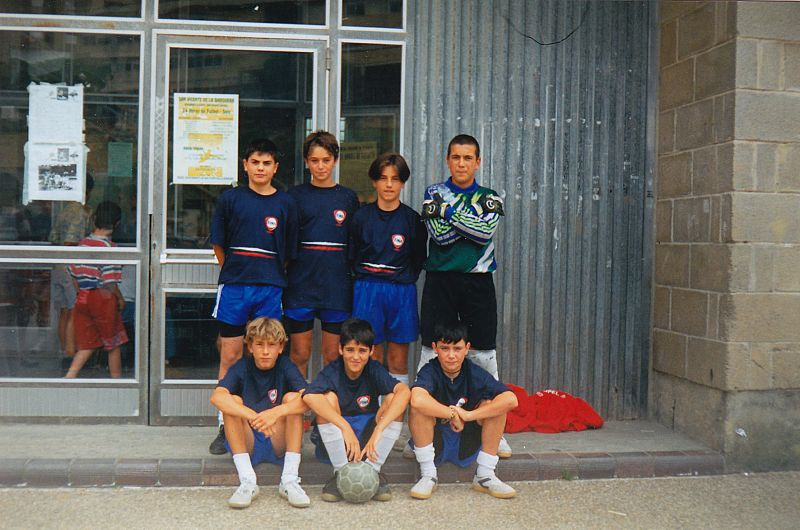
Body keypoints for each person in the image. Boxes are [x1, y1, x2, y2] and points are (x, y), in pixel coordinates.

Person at [417, 133, 512, 458]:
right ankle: (424, 429)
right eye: (456, 157)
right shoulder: (434, 192)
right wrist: (466, 222)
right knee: (432, 349)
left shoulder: (491, 196)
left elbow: (485, 232)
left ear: (478, 161)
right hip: (440, 280)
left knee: (483, 352)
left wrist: (448, 213)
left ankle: (494, 430)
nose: (461, 163)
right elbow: (440, 237)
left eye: (468, 158)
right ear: (448, 160)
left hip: (478, 281)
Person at [208, 138, 299, 455]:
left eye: (267, 163)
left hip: (270, 289)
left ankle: (268, 424)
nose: (261, 168)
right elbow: (218, 244)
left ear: (275, 167)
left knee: (268, 355)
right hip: (235, 288)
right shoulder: (230, 199)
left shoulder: (285, 203)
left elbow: (287, 254)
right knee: (231, 356)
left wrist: (266, 274)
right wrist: (235, 270)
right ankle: (224, 426)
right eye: (255, 162)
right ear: (245, 164)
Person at [303, 318, 410, 502]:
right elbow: (309, 396)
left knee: (394, 399)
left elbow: (404, 392)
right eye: (350, 350)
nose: (355, 357)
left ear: (371, 351)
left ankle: (372, 472)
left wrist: (379, 429)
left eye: (362, 351)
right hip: (340, 439)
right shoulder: (333, 370)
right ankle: (340, 474)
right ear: (340, 350)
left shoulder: (373, 369)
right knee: (327, 398)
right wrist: (344, 427)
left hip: (368, 436)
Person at [408, 323, 518, 500]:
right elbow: (417, 399)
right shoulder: (430, 370)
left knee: (494, 405)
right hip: (437, 443)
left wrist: (467, 416)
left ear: (467, 348)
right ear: (435, 348)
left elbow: (511, 400)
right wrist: (452, 414)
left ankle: (485, 475)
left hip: (466, 441)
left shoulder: (474, 372)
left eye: (457, 348)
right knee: (417, 409)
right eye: (445, 348)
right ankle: (428, 474)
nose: (451, 355)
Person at [209, 318, 310, 509]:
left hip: (275, 437)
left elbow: (309, 399)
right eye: (259, 345)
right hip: (249, 440)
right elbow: (217, 397)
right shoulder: (241, 366)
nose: (265, 351)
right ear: (250, 347)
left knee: (293, 399)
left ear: (280, 347)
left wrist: (276, 412)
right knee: (232, 402)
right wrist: (250, 415)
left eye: (271, 345)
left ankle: (289, 480)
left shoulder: (286, 365)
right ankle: (247, 481)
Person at [284, 131, 359, 377]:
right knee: (299, 354)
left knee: (332, 356)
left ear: (335, 160)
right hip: (301, 285)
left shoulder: (347, 197)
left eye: (326, 160)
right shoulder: (294, 197)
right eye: (314, 161)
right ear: (306, 162)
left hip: (335, 287)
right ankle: (298, 414)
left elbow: (355, 243)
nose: (320, 166)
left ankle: (326, 414)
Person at [349, 153, 427, 387]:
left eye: (395, 179)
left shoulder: (412, 220)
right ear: (374, 181)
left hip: (400, 291)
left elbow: (418, 258)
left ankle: (393, 419)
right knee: (369, 355)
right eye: (383, 178)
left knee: (398, 359)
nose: (389, 184)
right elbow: (351, 255)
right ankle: (371, 411)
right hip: (368, 289)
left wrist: (401, 278)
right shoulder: (361, 217)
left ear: (403, 182)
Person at [65, 200, 128, 378]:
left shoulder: (82, 244)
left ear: (93, 220)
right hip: (103, 298)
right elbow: (110, 282)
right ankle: (117, 381)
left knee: (87, 344)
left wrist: (81, 291)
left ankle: (70, 376)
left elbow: (72, 272)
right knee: (113, 344)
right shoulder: (110, 249)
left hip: (83, 296)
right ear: (117, 224)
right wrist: (120, 299)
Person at [50, 173, 94, 367]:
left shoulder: (64, 210)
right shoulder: (79, 212)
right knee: (73, 310)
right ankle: (70, 354)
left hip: (58, 265)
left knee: (63, 312)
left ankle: (63, 351)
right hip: (71, 266)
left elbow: (53, 238)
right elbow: (70, 241)